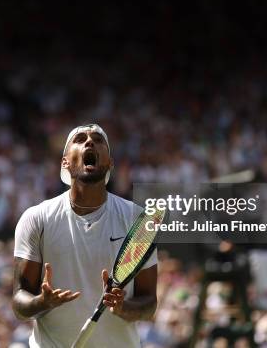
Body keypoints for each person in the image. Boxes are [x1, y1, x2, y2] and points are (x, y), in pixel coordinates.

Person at [12, 123, 158, 347]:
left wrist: (123, 308)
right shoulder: (36, 218)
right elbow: (20, 301)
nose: (90, 142)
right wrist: (42, 302)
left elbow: (149, 303)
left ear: (109, 163)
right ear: (65, 162)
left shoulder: (138, 220)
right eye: (80, 139)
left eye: (98, 140)